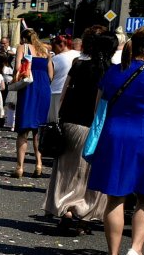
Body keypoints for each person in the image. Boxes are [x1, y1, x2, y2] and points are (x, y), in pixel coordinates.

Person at [86, 25, 144, 255]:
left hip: (115, 135)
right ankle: (135, 249)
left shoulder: (114, 72)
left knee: (115, 197)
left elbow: (98, 109)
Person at [43, 26, 113, 232]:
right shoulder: (110, 70)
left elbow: (64, 94)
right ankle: (84, 216)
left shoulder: (78, 64)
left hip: (71, 122)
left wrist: (59, 119)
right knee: (90, 174)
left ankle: (66, 210)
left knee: (66, 170)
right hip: (94, 128)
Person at [13, 30, 55, 177]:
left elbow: (18, 68)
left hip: (28, 88)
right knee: (38, 130)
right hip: (43, 89)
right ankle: (38, 164)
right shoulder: (46, 50)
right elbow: (51, 75)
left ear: (24, 38)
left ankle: (19, 167)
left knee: (23, 130)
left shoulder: (22, 47)